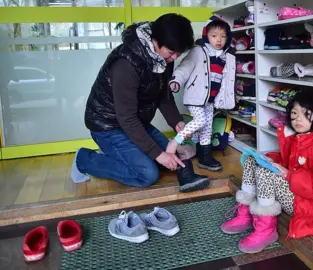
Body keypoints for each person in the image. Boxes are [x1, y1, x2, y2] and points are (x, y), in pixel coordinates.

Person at [70, 14, 210, 193]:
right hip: (107, 126)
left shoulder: (164, 58)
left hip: (135, 122)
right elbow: (126, 118)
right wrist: (158, 155)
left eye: (179, 53)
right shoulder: (126, 64)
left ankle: (122, 154)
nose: (174, 58)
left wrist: (177, 122)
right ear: (155, 41)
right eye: (171, 52)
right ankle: (84, 159)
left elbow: (163, 95)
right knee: (147, 173)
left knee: (170, 156)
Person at [220, 90, 313, 253]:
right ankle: (244, 214)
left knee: (264, 173)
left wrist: (288, 174)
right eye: (294, 113)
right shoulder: (299, 137)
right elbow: (288, 162)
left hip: (309, 205)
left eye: (306, 114)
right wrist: (271, 160)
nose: (298, 119)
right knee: (251, 160)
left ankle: (265, 230)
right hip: (295, 192)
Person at [166, 17, 236, 171]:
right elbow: (185, 67)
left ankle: (205, 157)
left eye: (223, 36)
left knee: (207, 128)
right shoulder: (199, 51)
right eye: (214, 36)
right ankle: (175, 142)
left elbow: (227, 79)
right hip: (196, 96)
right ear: (206, 36)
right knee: (201, 121)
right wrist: (176, 80)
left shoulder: (227, 56)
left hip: (210, 98)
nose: (219, 40)